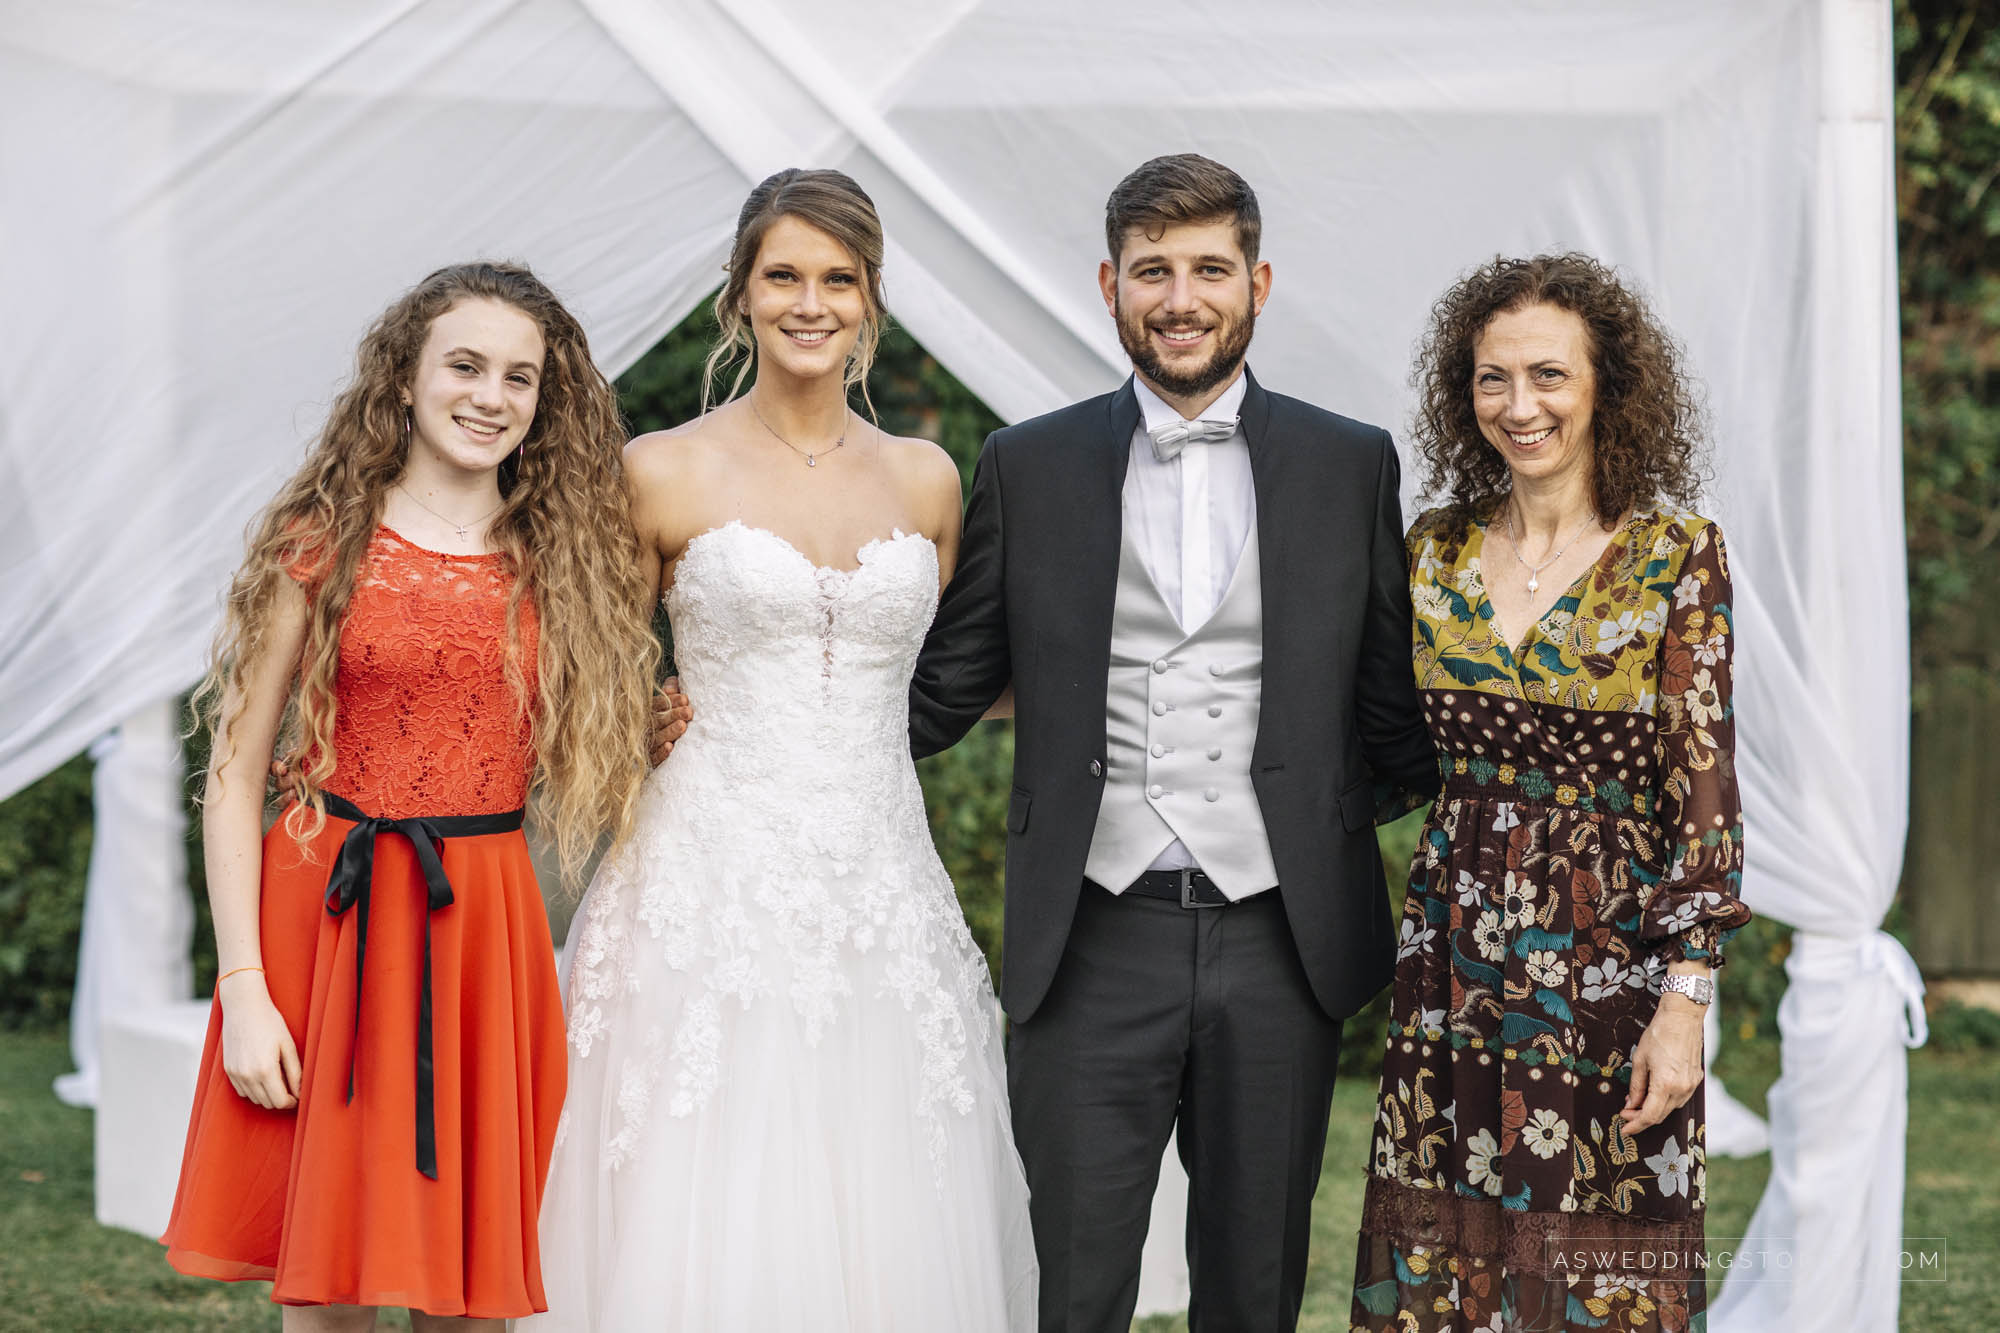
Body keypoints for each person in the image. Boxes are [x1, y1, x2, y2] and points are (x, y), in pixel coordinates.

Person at [908, 154, 1437, 1332]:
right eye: (1152, 270)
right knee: (1073, 1284)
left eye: (1208, 268)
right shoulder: (1023, 464)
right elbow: (941, 689)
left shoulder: (1350, 462)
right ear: (1109, 285)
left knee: (1252, 1291)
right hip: (1089, 932)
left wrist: (1331, 816)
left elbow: (1389, 701)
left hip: (1278, 937)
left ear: (1257, 282)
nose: (1180, 296)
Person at [526, 168, 1036, 1332]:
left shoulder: (928, 476)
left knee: (889, 1162)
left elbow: (965, 677)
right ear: (740, 294)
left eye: (837, 280)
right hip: (702, 870)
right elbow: (575, 667)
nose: (811, 302)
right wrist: (635, 707)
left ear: (869, 301)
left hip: (879, 873)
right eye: (784, 277)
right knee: (694, 1167)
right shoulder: (658, 466)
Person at [161, 262, 658, 1329]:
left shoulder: (564, 558)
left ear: (543, 401)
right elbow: (234, 774)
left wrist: (663, 729)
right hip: (327, 923)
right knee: (330, 1280)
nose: (490, 396)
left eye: (519, 378)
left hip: (482, 929)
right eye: (465, 366)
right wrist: (243, 983)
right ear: (403, 381)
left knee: (475, 1296)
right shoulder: (323, 538)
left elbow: (596, 741)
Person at [1349, 253, 1753, 1332]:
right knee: (1448, 1251)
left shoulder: (1675, 555)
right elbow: (1377, 748)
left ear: (1604, 388)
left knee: (1598, 1268)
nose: (1518, 406)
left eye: (1547, 376)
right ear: (1461, 392)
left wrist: (1682, 1005)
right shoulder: (1428, 553)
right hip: (1451, 960)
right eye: (1491, 379)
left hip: (1608, 968)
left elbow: (1701, 795)